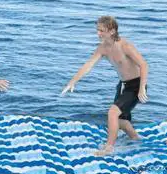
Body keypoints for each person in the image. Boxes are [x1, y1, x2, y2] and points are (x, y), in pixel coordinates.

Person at [61, 15, 149, 156]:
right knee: (120, 120)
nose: (98, 33)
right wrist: (72, 82)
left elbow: (144, 65)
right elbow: (88, 65)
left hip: (136, 85)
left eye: (101, 31)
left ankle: (109, 148)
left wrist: (142, 88)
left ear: (112, 31)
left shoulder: (125, 46)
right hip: (123, 86)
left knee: (112, 113)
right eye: (97, 30)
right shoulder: (102, 48)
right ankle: (136, 139)